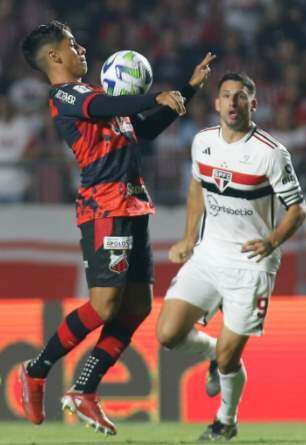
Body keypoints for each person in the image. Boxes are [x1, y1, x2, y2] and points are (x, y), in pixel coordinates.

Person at [18, 20, 215, 435]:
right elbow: (109, 108)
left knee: (138, 306)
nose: (81, 49)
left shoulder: (101, 98)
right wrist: (152, 95)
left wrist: (186, 93)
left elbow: (139, 129)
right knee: (106, 305)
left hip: (133, 203)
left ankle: (84, 389)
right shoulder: (67, 95)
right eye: (72, 44)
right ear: (54, 57)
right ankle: (37, 370)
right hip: (104, 207)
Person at [155, 72, 306, 441]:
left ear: (253, 104)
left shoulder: (271, 153)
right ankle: (209, 353)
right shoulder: (203, 141)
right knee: (168, 334)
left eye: (241, 97)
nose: (233, 103)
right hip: (209, 254)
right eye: (226, 96)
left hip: (251, 264)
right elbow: (197, 186)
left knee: (229, 357)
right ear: (217, 103)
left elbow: (297, 210)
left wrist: (271, 242)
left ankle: (225, 420)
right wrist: (189, 237)